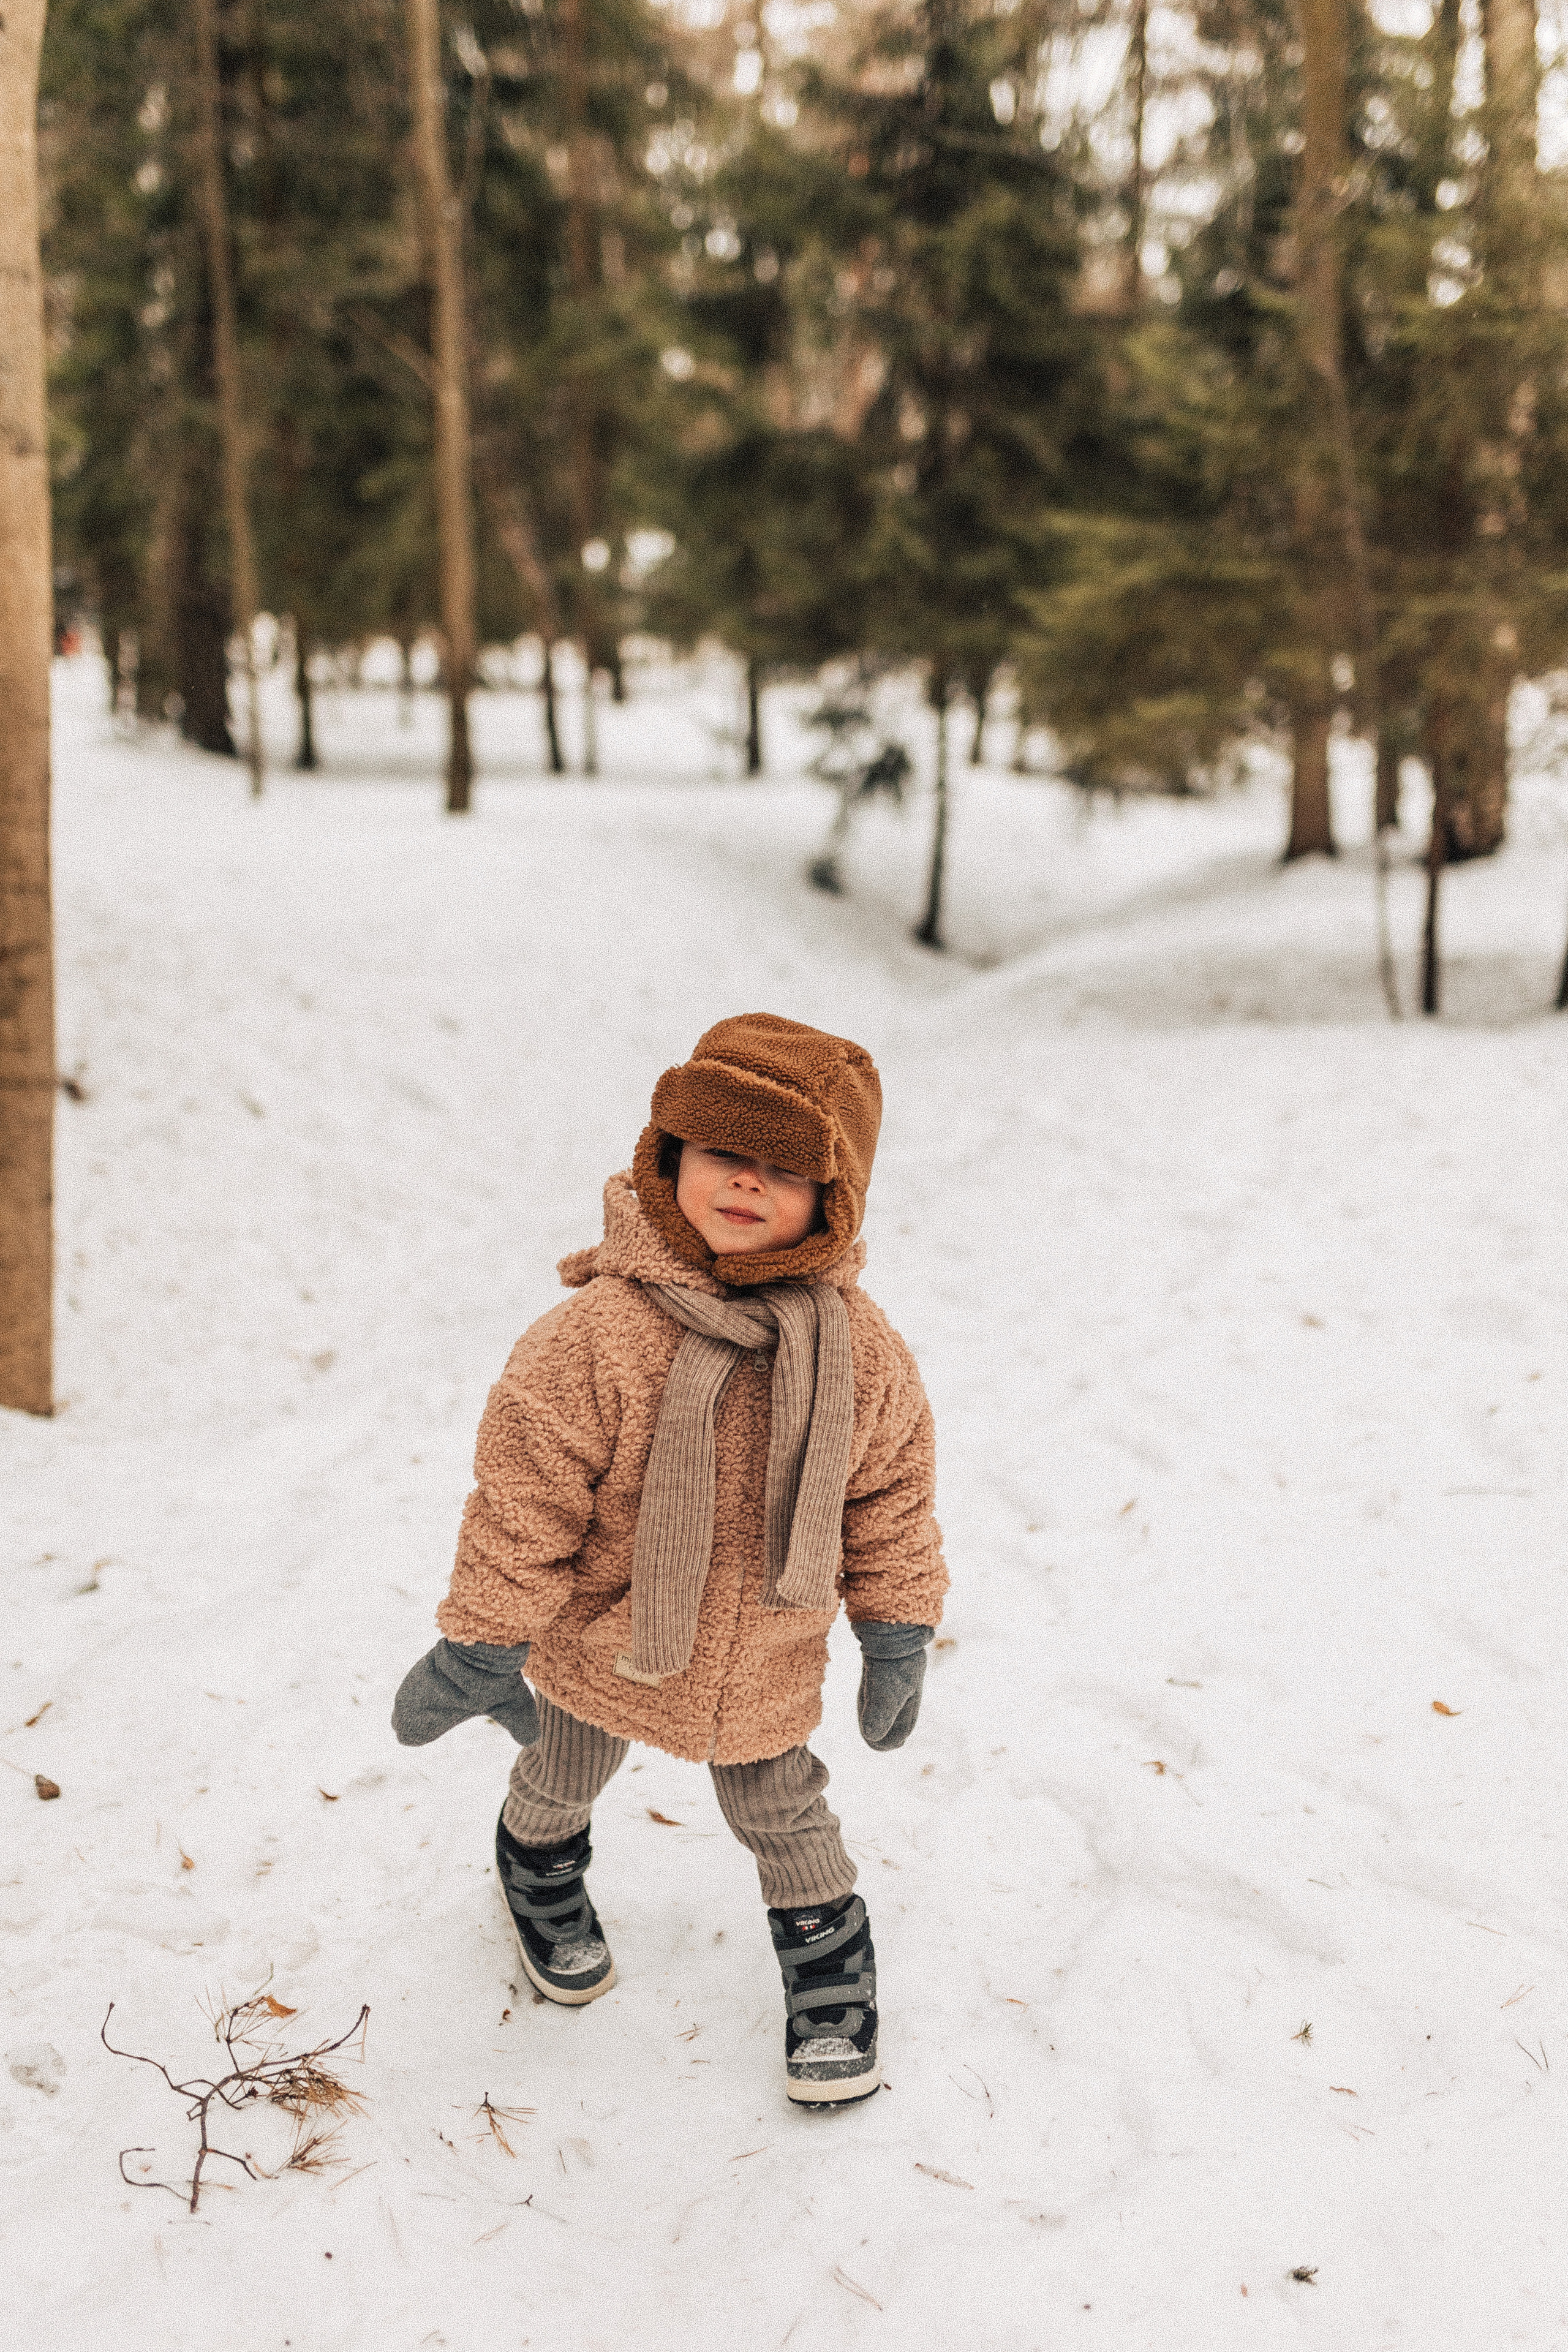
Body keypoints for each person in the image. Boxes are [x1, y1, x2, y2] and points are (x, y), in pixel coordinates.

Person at [393, 1012, 946, 2106]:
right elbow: (524, 1498)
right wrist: (484, 1642)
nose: (747, 1184)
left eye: (785, 1169)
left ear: (831, 1203)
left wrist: (897, 1627)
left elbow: (891, 1497)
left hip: (764, 1656)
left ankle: (828, 1968)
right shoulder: (596, 1336)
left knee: (786, 1814)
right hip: (608, 1634)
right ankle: (539, 1873)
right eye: (724, 1153)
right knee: (562, 1772)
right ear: (671, 1156)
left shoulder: (860, 1351)